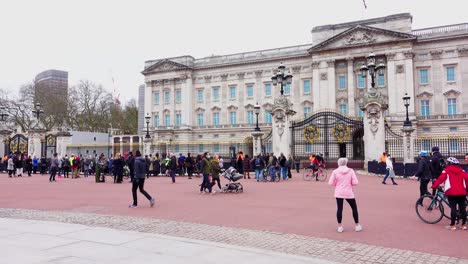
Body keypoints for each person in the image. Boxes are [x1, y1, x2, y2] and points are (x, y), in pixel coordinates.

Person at [431, 157, 468, 230]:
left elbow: (441, 179)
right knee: (463, 209)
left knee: (453, 208)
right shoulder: (462, 171)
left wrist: (434, 186)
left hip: (451, 192)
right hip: (462, 192)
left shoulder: (446, 170)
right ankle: (463, 225)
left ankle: (453, 225)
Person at [328, 158, 362, 233]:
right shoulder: (351, 171)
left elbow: (330, 183)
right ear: (346, 163)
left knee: (339, 209)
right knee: (354, 208)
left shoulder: (335, 171)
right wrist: (350, 183)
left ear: (338, 163)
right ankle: (357, 225)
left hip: (339, 192)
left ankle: (340, 227)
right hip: (349, 192)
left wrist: (336, 184)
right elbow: (355, 182)